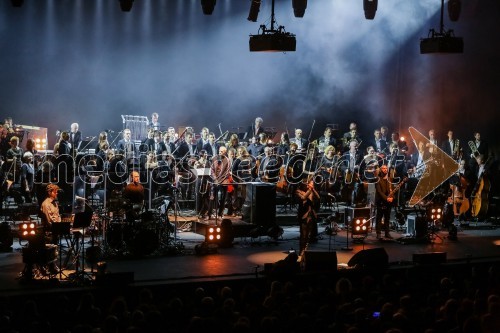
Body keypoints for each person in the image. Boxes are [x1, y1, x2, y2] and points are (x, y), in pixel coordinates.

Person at [295, 179, 320, 253]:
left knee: (309, 236)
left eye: (312, 184)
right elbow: (303, 198)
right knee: (303, 235)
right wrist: (310, 190)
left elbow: (318, 198)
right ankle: (301, 251)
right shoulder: (298, 192)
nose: (310, 185)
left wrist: (313, 190)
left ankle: (305, 250)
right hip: (303, 216)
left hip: (311, 216)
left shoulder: (311, 191)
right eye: (309, 184)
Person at [375, 164, 395, 239]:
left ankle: (387, 233)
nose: (385, 170)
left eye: (386, 168)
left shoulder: (390, 179)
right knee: (379, 217)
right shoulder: (378, 179)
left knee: (387, 217)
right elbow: (379, 192)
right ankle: (378, 233)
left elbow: (392, 190)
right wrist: (386, 198)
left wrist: (392, 197)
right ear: (381, 170)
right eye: (383, 168)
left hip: (388, 202)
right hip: (380, 201)